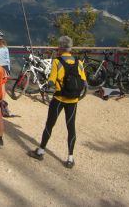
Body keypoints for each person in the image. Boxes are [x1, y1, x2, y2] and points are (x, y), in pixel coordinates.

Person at [28, 35, 87, 169]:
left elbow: (51, 80)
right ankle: (70, 158)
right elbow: (83, 81)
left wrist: (46, 85)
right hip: (73, 100)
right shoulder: (79, 62)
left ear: (60, 47)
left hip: (59, 99)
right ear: (70, 47)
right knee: (71, 127)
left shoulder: (56, 62)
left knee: (50, 125)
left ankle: (41, 151)